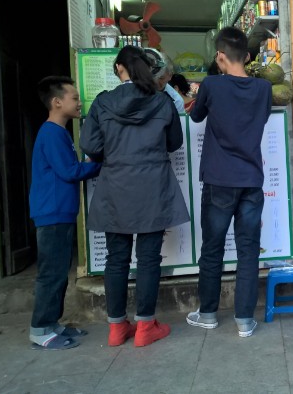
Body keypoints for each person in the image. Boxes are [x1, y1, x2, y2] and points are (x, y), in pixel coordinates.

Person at [80, 45, 190, 347]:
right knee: (148, 258)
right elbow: (174, 142)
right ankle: (145, 327)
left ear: (119, 69)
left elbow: (91, 145)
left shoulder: (103, 103)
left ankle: (116, 328)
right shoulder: (161, 102)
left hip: (115, 186)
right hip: (153, 186)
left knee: (115, 259)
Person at [186, 26, 272, 337]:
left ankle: (208, 313)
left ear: (220, 56)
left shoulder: (211, 85)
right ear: (247, 57)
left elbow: (196, 118)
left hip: (219, 180)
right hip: (251, 180)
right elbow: (260, 119)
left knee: (213, 248)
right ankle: (245, 321)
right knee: (248, 249)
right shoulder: (263, 89)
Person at [28, 76, 101, 350]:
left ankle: (51, 324)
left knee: (59, 271)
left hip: (60, 212)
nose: (79, 102)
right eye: (74, 97)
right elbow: (69, 172)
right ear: (57, 102)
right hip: (52, 212)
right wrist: (99, 165)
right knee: (51, 273)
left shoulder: (59, 132)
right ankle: (39, 329)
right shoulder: (51, 133)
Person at [145, 48, 185, 114]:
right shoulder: (135, 91)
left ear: (170, 76)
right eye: (154, 76)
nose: (156, 81)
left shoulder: (176, 100)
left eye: (161, 78)